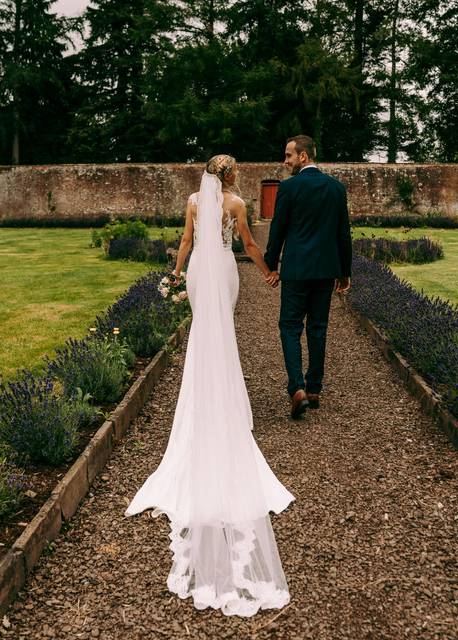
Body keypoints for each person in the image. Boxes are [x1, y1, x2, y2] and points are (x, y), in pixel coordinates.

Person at [125, 154, 294, 617]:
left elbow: (184, 241)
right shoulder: (237, 204)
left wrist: (178, 272)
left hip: (202, 270)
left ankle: (204, 396)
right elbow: (247, 245)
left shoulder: (194, 200)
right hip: (222, 270)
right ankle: (225, 403)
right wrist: (266, 271)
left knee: (204, 333)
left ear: (207, 174)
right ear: (231, 175)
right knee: (223, 335)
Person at [264, 135, 352, 419]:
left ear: (303, 156)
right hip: (325, 270)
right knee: (318, 327)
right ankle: (314, 388)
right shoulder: (336, 189)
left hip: (296, 269)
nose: (285, 161)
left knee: (289, 326)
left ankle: (297, 389)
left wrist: (271, 265)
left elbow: (278, 229)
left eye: (289, 155)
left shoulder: (289, 188)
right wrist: (344, 271)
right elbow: (343, 234)